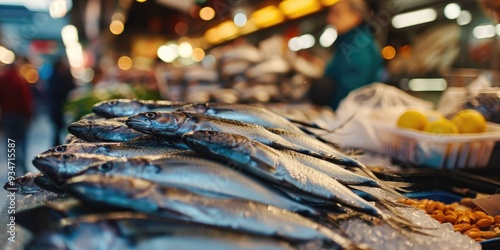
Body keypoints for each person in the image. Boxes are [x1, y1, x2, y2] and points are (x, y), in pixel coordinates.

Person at [322, 0, 383, 110]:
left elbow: (350, 94)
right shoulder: (349, 42)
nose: (329, 19)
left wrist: (323, 99)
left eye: (337, 14)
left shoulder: (359, 46)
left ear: (355, 17)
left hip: (347, 115)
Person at [0, 57, 34, 175]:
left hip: (8, 116)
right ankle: (23, 165)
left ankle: (12, 167)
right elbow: (25, 101)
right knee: (22, 142)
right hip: (20, 117)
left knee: (10, 142)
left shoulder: (2, 80)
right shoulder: (20, 81)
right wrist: (29, 115)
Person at [47, 58, 75, 146]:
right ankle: (56, 147)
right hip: (56, 108)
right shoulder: (55, 78)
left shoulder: (60, 76)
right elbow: (57, 92)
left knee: (58, 129)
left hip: (59, 107)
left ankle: (57, 146)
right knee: (57, 129)